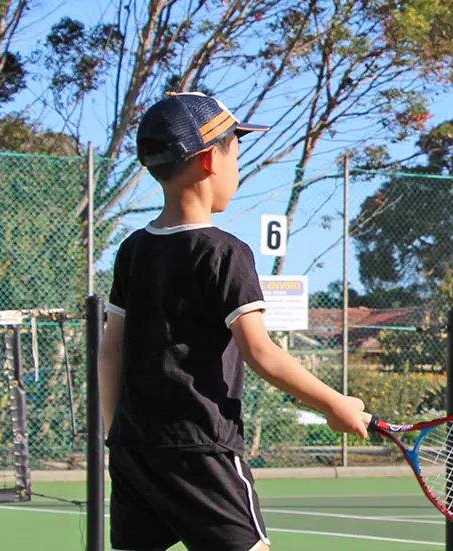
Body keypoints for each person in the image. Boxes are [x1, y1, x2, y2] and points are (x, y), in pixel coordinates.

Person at [98, 92, 374, 551]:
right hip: (202, 450)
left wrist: (116, 434)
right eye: (236, 152)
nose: (238, 168)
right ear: (210, 160)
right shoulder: (226, 252)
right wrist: (334, 404)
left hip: (133, 451)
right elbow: (261, 352)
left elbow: (110, 349)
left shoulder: (132, 250)